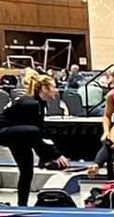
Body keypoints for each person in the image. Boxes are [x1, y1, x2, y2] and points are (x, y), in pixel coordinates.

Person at [1, 73, 69, 206]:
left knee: (27, 171)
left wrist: (50, 156)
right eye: (54, 87)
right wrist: (55, 155)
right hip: (4, 132)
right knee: (34, 132)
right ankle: (48, 159)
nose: (56, 90)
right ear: (44, 89)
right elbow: (36, 135)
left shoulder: (40, 105)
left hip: (18, 135)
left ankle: (22, 205)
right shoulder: (31, 104)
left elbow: (37, 135)